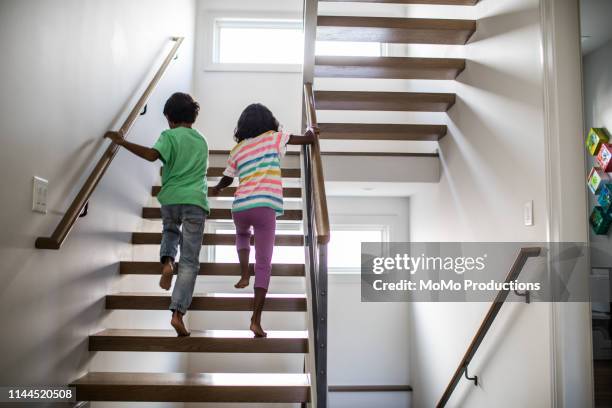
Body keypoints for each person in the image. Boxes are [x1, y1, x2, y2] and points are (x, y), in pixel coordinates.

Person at [105, 92, 208, 337]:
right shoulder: (202, 140)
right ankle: (177, 313)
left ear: (170, 119)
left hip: (171, 198)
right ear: (192, 118)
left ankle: (167, 262)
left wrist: (122, 142)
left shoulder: (168, 136)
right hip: (195, 201)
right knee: (191, 261)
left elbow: (152, 155)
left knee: (170, 232)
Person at [210, 103, 314, 337]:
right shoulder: (273, 137)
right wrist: (310, 131)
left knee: (242, 235)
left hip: (240, 206)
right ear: (269, 121)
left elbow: (227, 178)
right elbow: (304, 141)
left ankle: (244, 273)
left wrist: (216, 188)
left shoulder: (237, 149)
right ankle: (255, 320)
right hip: (264, 205)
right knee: (264, 263)